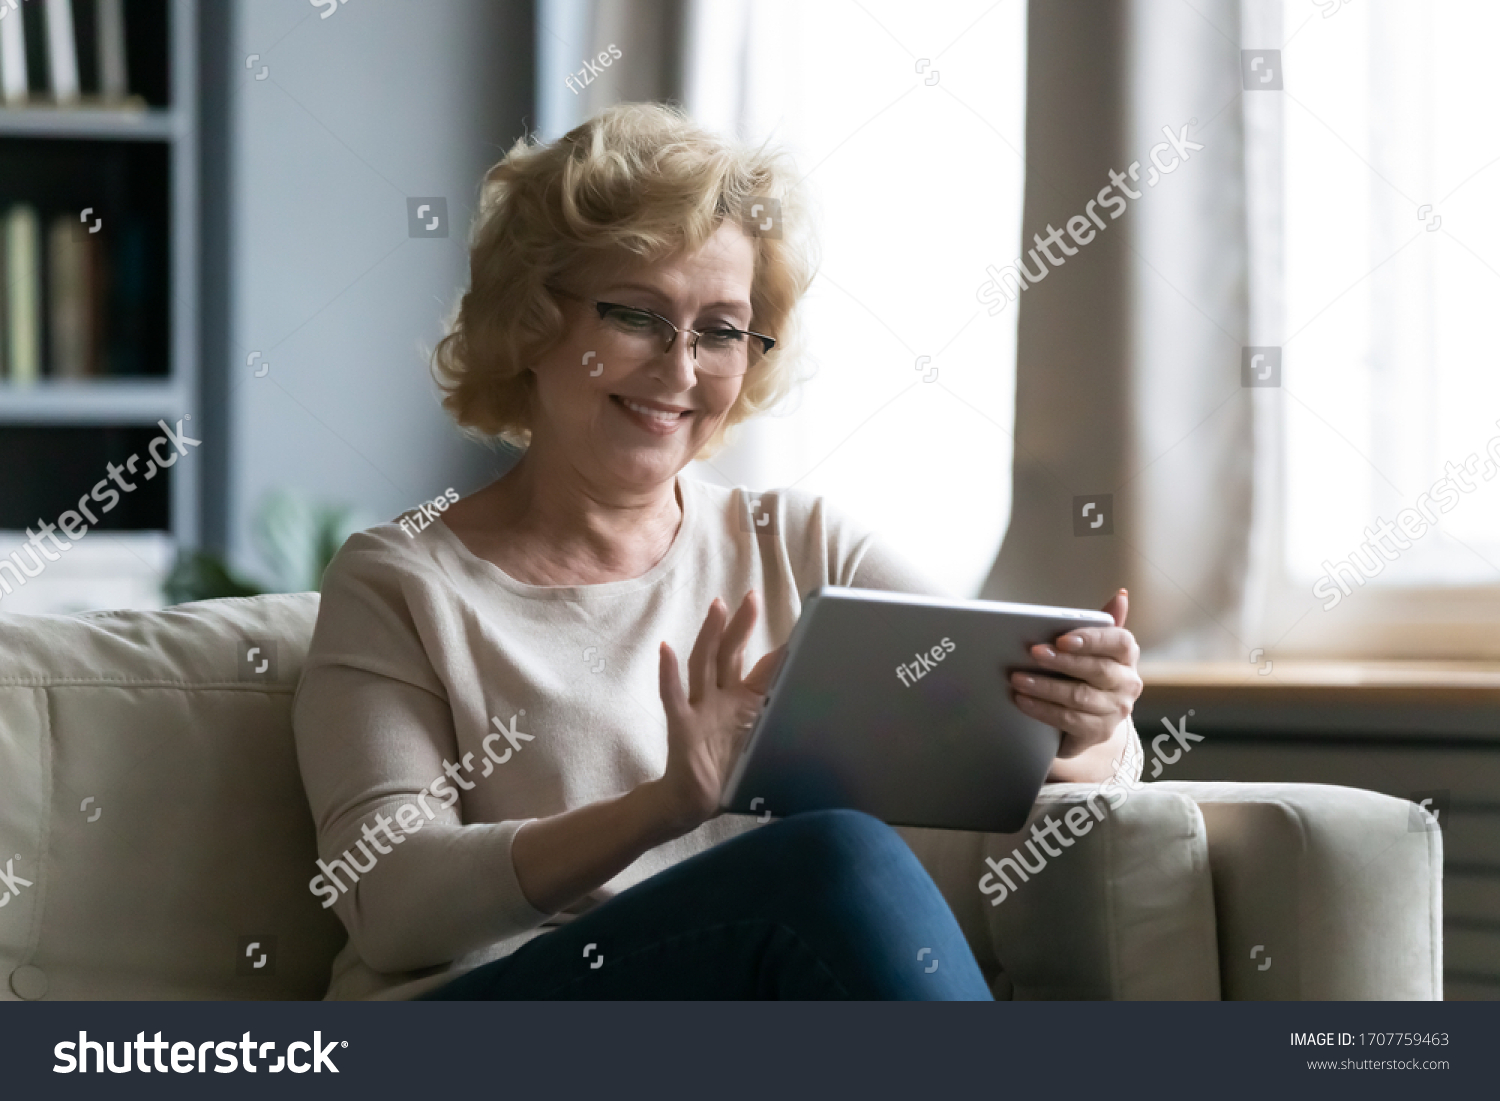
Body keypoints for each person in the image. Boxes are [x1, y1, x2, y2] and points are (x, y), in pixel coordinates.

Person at [292, 102, 1144, 1001]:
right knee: (832, 859)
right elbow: (388, 901)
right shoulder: (399, 582)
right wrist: (661, 807)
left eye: (722, 329)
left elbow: (1020, 738)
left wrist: (1082, 727)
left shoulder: (804, 546)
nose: (682, 368)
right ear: (532, 320)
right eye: (638, 315)